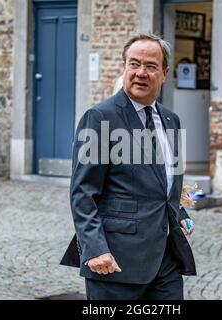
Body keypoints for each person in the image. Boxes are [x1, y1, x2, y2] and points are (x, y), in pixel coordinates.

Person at [66, 33, 196, 300]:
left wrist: (178, 212)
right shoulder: (100, 117)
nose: (140, 73)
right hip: (115, 261)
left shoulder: (171, 120)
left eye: (150, 66)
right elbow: (83, 192)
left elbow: (165, 181)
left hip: (165, 260)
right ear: (124, 67)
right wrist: (94, 249)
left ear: (164, 73)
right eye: (133, 64)